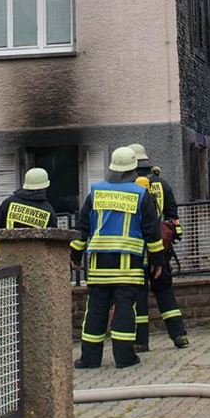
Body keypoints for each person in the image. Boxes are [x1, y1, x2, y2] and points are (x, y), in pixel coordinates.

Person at [71, 146, 165, 369]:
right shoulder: (141, 194)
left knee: (95, 310)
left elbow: (83, 228)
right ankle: (124, 358)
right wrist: (158, 260)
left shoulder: (95, 192)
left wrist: (74, 255)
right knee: (125, 310)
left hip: (98, 266)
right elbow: (151, 231)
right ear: (133, 169)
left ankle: (89, 359)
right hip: (127, 266)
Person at [129, 144, 189, 351]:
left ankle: (140, 343)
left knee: (139, 296)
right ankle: (179, 335)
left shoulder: (129, 187)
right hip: (161, 250)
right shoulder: (162, 184)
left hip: (137, 250)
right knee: (164, 292)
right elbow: (173, 217)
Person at [0, 167, 58, 265]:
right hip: (35, 262)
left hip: (8, 257)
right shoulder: (48, 211)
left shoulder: (8, 203)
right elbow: (53, 242)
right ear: (45, 187)